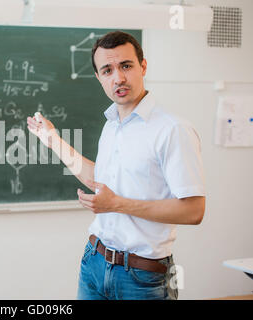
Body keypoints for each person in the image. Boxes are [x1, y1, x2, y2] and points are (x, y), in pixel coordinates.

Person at [26, 31, 205, 300]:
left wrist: (117, 204)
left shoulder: (173, 129)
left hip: (142, 276)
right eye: (107, 70)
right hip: (94, 263)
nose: (118, 78)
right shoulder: (112, 124)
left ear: (143, 67)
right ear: (99, 78)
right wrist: (52, 140)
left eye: (126, 66)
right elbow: (97, 181)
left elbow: (194, 211)